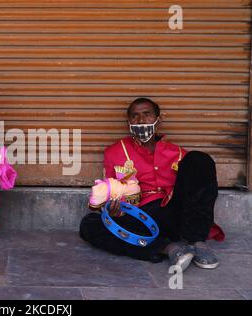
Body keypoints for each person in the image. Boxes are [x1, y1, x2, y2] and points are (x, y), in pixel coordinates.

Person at [80, 97, 225, 272]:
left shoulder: (177, 153)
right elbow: (109, 189)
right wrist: (113, 211)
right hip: (139, 217)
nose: (141, 120)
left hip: (175, 215)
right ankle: (167, 249)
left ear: (158, 120)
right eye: (135, 116)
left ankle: (197, 242)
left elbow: (196, 190)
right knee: (90, 224)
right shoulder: (115, 152)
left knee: (200, 160)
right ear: (129, 123)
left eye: (147, 114)